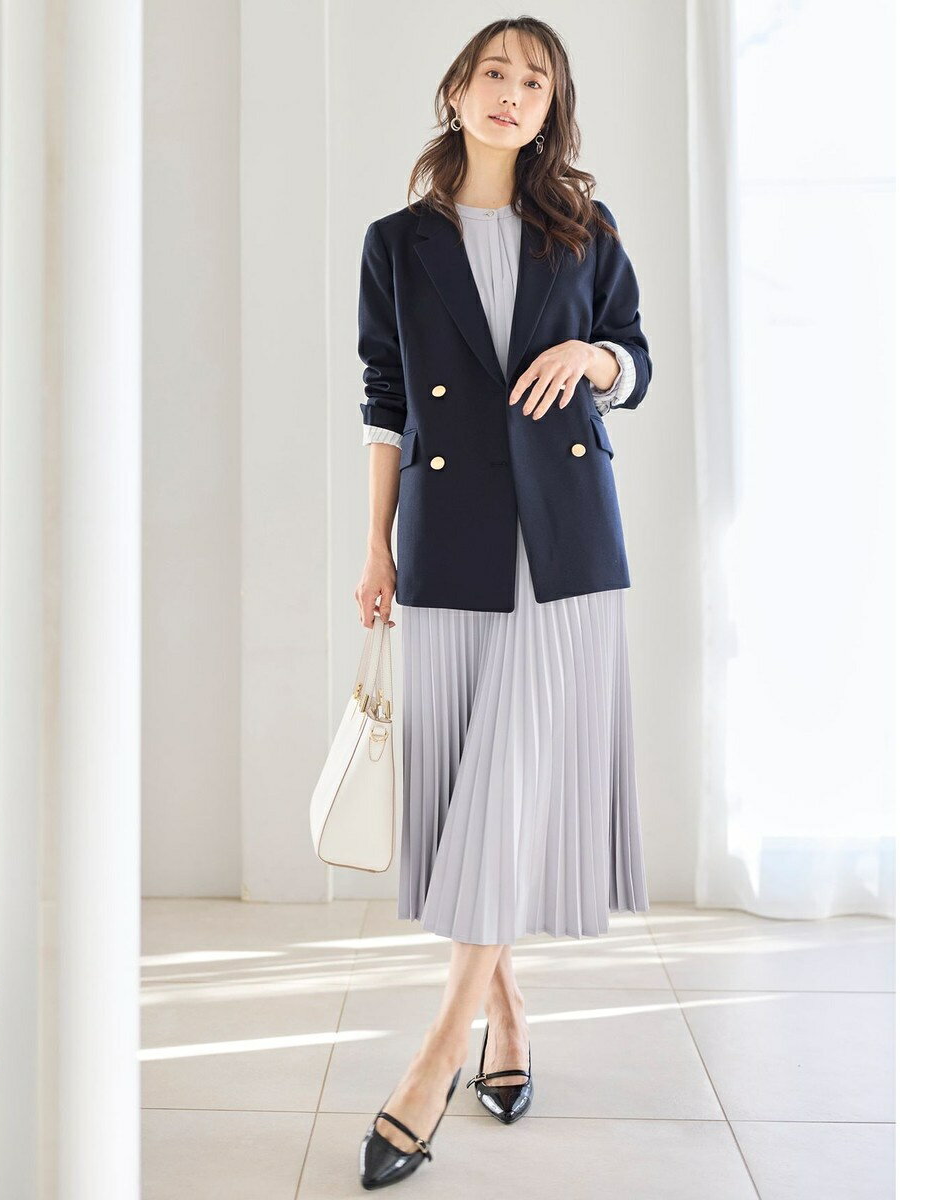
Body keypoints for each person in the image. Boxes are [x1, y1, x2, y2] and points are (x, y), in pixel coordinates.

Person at [352, 16, 652, 1190]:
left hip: (565, 546)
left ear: (550, 108)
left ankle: (433, 1060)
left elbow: (634, 354)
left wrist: (592, 360)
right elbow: (385, 397)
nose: (513, 93)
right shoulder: (397, 243)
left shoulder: (583, 227)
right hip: (452, 541)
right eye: (495, 72)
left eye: (536, 81)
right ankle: (510, 1018)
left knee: (511, 781)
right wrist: (374, 546)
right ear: (458, 91)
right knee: (481, 793)